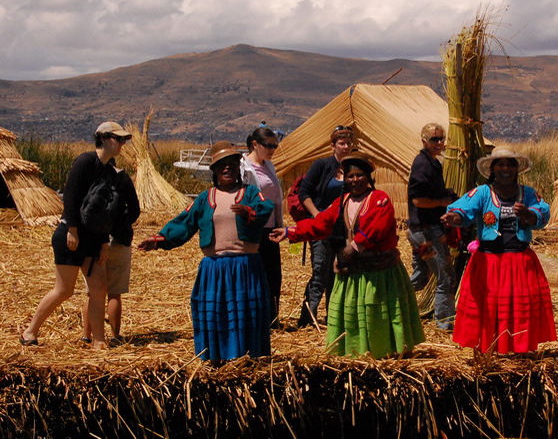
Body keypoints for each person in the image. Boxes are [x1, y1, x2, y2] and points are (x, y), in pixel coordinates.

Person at [271, 152, 425, 357]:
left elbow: (377, 227)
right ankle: (356, 350)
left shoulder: (380, 199)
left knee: (376, 312)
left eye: (359, 175)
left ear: (368, 177)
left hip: (379, 273)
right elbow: (321, 223)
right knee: (354, 314)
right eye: (350, 176)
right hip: (353, 271)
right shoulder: (342, 202)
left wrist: (354, 246)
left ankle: (385, 351)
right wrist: (291, 232)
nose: (355, 180)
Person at [138, 141, 274, 361]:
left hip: (245, 267)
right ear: (215, 171)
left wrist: (248, 211)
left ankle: (248, 359)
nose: (227, 168)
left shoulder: (249, 192)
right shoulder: (204, 198)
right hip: (215, 269)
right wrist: (159, 240)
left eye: (231, 164)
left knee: (246, 316)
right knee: (217, 316)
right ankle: (216, 359)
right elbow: (185, 223)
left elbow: (265, 208)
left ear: (238, 168)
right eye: (221, 166)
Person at [21, 121, 131, 349]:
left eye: (123, 140)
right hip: (71, 235)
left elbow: (103, 212)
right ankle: (30, 332)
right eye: (118, 139)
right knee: (64, 290)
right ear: (104, 138)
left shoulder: (109, 170)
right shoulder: (85, 162)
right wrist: (72, 229)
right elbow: (70, 197)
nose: (122, 143)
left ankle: (99, 340)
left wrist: (103, 242)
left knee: (99, 288)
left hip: (93, 238)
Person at [442, 148, 556, 355]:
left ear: (517, 168)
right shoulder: (483, 193)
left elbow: (543, 214)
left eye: (510, 164)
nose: (506, 169)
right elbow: (463, 209)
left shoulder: (528, 194)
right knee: (488, 307)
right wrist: (455, 219)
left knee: (518, 309)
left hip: (520, 260)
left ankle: (519, 350)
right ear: (492, 169)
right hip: (489, 262)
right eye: (500, 164)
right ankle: (488, 349)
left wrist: (528, 214)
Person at [295, 125, 353, 327]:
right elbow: (304, 192)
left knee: (338, 273)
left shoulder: (352, 168)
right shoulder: (322, 165)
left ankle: (333, 316)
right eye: (341, 143)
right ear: (333, 146)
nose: (345, 147)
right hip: (321, 228)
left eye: (348, 143)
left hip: (342, 230)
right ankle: (307, 318)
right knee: (320, 270)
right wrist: (317, 215)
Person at [81, 165, 140, 344]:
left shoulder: (91, 175)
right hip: (119, 239)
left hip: (94, 240)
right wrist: (121, 223)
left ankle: (86, 336)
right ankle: (115, 337)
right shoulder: (123, 178)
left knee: (93, 293)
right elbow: (135, 210)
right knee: (114, 293)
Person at [407, 123, 456, 330]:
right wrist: (443, 202)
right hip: (425, 232)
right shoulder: (422, 164)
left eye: (441, 138)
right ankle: (445, 322)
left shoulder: (434, 163)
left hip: (421, 230)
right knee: (445, 276)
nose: (439, 143)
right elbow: (418, 200)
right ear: (424, 141)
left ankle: (392, 305)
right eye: (434, 139)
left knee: (421, 276)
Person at [241, 126, 284, 329]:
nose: (272, 149)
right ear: (255, 144)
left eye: (275, 146)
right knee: (255, 274)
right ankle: (256, 318)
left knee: (273, 274)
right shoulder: (244, 167)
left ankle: (272, 318)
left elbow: (276, 197)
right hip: (254, 228)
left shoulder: (269, 166)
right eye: (268, 146)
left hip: (271, 228)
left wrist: (280, 224)